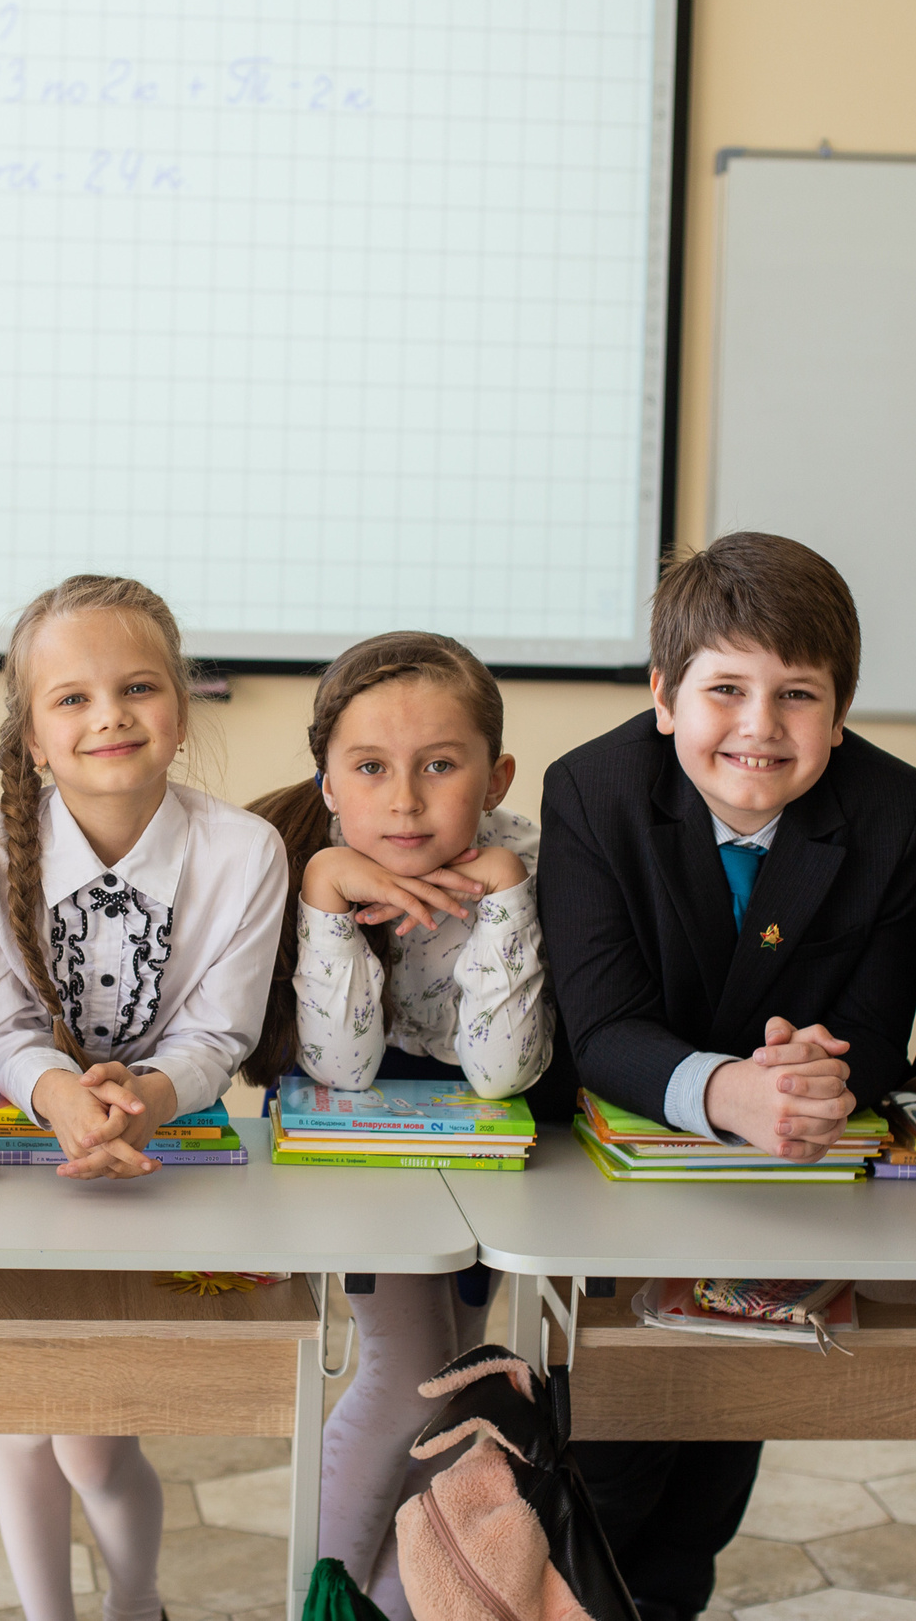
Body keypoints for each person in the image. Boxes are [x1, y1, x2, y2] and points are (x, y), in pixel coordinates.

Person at [538, 531, 916, 1621]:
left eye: (796, 694)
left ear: (840, 710)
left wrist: (815, 1076)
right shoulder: (592, 792)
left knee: (708, 1481)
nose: (760, 726)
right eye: (726, 689)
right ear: (665, 696)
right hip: (607, 1184)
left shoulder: (900, 813)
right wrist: (731, 1092)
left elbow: (872, 1023)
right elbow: (603, 1021)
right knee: (608, 1473)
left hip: (781, 1188)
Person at [0, 574, 286, 1621]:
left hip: (161, 1163)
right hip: (28, 1152)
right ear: (33, 737)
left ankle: (135, 1597)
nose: (109, 716)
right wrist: (62, 1098)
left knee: (92, 1429)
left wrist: (140, 1095)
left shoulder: (244, 852)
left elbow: (216, 1036)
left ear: (179, 710)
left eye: (137, 687)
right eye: (72, 698)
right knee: (19, 1411)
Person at [244, 630, 554, 1617]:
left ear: (496, 775)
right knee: (406, 1370)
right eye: (370, 768)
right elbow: (340, 1066)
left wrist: (502, 893)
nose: (405, 798)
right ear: (329, 781)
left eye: (440, 765)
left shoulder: (530, 863)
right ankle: (324, 1596)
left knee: (455, 1376)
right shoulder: (321, 869)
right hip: (366, 1162)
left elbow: (504, 1071)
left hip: (484, 1154)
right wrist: (330, 899)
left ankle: (398, 1593)